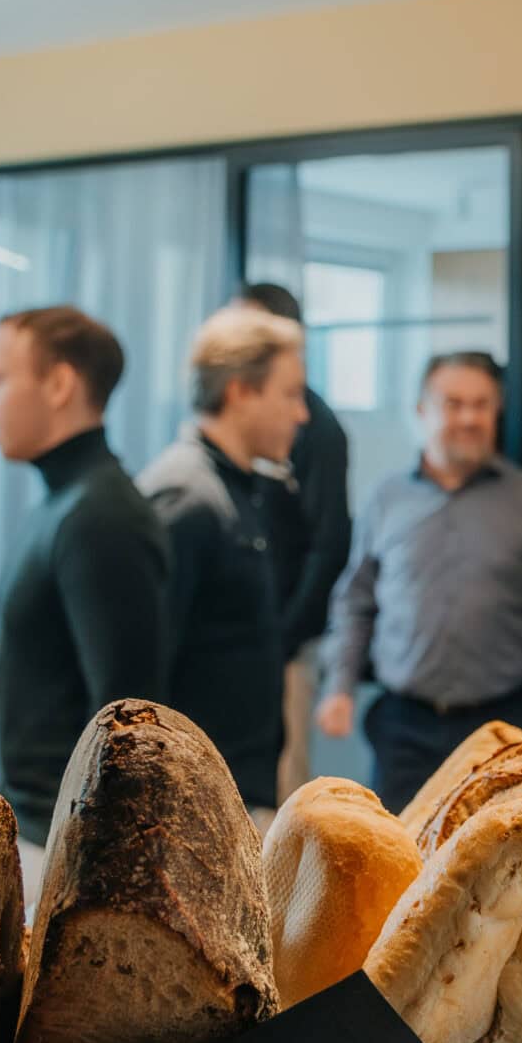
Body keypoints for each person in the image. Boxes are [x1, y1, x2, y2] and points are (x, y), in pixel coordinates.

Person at [317, 350, 522, 813]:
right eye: (454, 404)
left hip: (505, 726)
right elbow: (356, 601)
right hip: (405, 729)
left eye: (481, 405)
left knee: (508, 851)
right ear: (422, 411)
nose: (469, 418)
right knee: (398, 851)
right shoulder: (387, 498)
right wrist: (339, 685)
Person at [0, 306, 169, 883]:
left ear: (59, 384)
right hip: (41, 829)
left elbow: (128, 719)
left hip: (68, 845)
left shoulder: (102, 517)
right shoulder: (67, 502)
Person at [138, 303, 309, 820]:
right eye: (291, 394)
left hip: (230, 789)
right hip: (191, 801)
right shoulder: (186, 496)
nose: (301, 414)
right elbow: (146, 672)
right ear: (240, 392)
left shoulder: (237, 488)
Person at [238, 282, 352, 800]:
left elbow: (330, 545)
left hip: (285, 648)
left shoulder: (315, 427)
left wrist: (282, 638)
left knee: (280, 798)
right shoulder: (233, 431)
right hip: (240, 646)